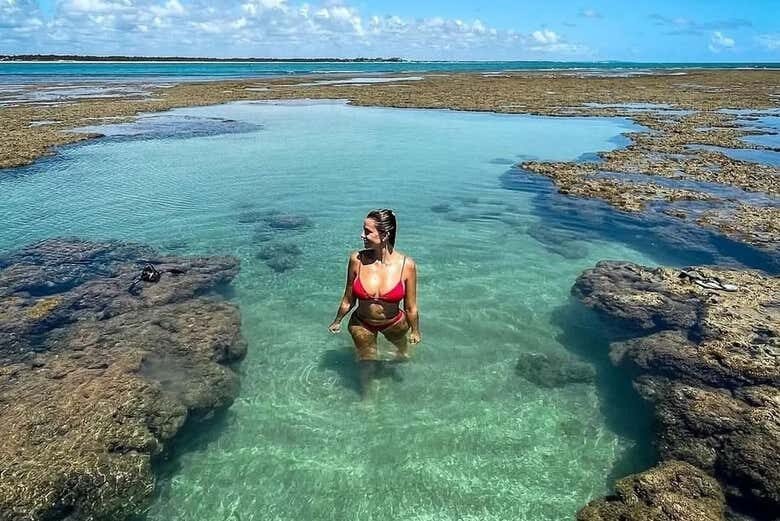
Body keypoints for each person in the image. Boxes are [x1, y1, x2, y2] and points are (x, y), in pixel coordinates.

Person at [328, 209, 421, 397]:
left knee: (402, 356)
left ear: (385, 234)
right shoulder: (357, 260)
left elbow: (410, 306)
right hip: (362, 323)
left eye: (367, 231)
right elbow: (348, 298)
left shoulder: (407, 265)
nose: (362, 235)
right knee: (366, 363)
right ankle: (368, 402)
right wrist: (337, 320)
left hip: (394, 322)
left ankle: (398, 366)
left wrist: (415, 331)